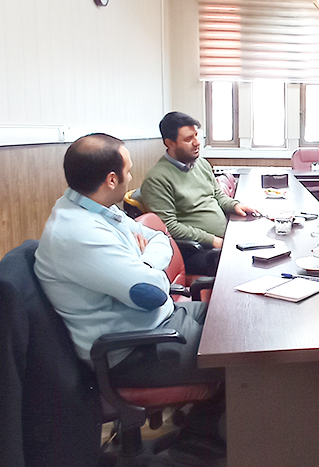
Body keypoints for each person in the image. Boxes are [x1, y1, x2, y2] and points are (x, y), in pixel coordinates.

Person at [34, 134, 225, 458]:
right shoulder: (81, 233)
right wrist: (148, 264)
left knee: (228, 321)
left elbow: (160, 237)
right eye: (128, 171)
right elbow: (149, 293)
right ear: (112, 179)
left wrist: (143, 260)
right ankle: (191, 454)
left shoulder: (96, 207)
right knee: (239, 361)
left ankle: (195, 439)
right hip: (131, 350)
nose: (131, 177)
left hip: (157, 323)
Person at [141, 111, 258, 275]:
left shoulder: (201, 164)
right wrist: (212, 240)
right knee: (244, 265)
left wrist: (235, 205)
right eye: (188, 139)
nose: (197, 143)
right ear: (170, 143)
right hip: (195, 250)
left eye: (196, 135)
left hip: (222, 238)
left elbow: (217, 196)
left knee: (262, 245)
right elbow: (169, 227)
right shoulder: (156, 179)